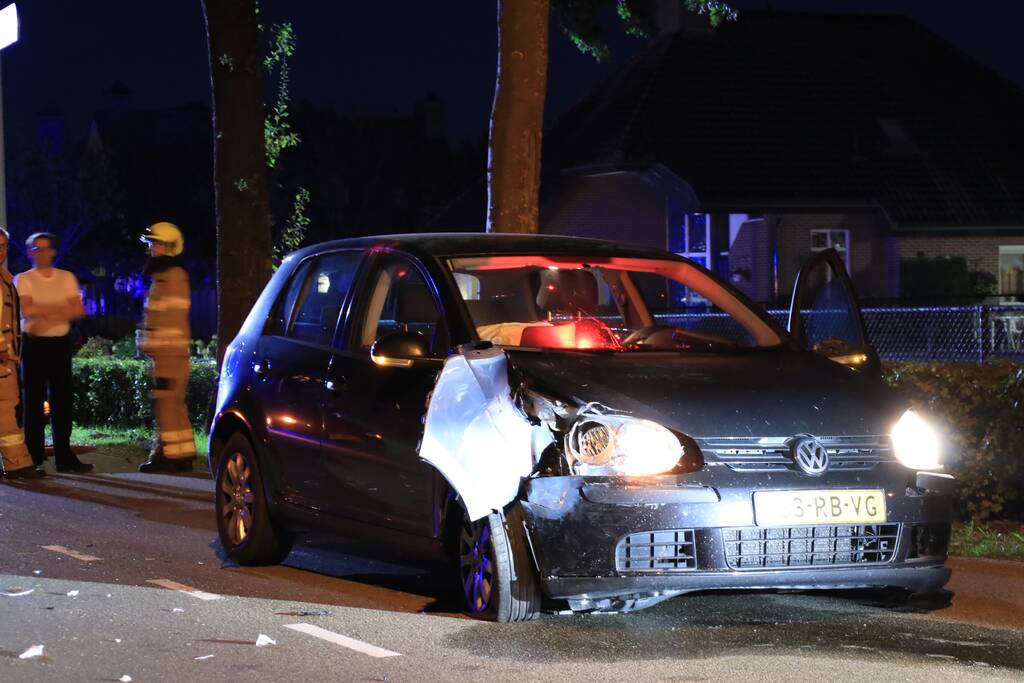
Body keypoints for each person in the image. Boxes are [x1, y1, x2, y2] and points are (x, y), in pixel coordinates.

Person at [15, 232, 92, 473]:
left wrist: (44, 311)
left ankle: (64, 456)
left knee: (63, 400)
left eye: (46, 248)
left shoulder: (66, 278)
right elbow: (27, 309)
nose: (41, 253)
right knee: (33, 402)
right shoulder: (23, 279)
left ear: (54, 251)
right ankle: (34, 456)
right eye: (36, 249)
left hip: (59, 343)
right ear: (29, 253)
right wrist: (60, 308)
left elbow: (78, 309)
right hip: (33, 344)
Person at [138, 222, 196, 473]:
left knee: (166, 404)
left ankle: (172, 457)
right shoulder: (168, 274)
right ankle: (181, 454)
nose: (151, 248)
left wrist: (152, 343)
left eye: (155, 243)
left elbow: (169, 318)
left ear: (169, 246)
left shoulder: (170, 276)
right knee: (172, 403)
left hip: (168, 353)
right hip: (169, 352)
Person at [0, 228, 43, 480]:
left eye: (4, 245)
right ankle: (17, 464)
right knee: (7, 410)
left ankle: (17, 463)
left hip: (7, 357)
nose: (2, 251)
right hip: (2, 359)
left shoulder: (6, 278)